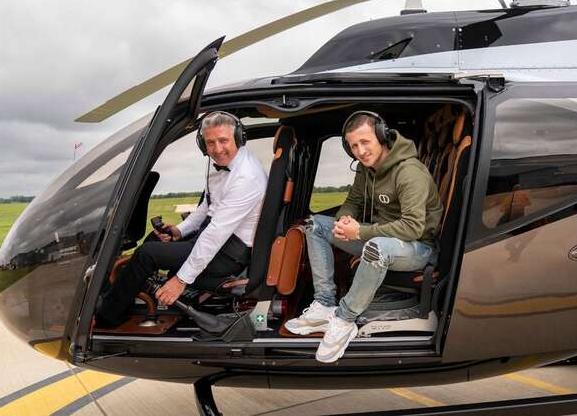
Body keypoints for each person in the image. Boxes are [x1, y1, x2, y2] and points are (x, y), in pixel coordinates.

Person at [285, 110, 443, 363]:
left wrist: (359, 231)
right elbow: (353, 201)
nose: (360, 151)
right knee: (315, 225)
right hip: (382, 239)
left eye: (365, 142)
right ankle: (324, 303)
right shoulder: (365, 169)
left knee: (375, 247)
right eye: (353, 146)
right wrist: (344, 221)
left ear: (381, 136)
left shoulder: (409, 172)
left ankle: (344, 320)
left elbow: (413, 228)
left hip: (417, 248)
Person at [95, 111, 268, 327]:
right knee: (156, 239)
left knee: (145, 254)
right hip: (214, 237)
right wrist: (179, 230)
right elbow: (207, 206)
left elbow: (215, 235)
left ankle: (106, 317)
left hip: (227, 253)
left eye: (223, 140)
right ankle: (128, 298)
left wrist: (180, 280)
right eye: (210, 143)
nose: (217, 149)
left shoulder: (246, 176)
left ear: (239, 138)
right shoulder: (221, 165)